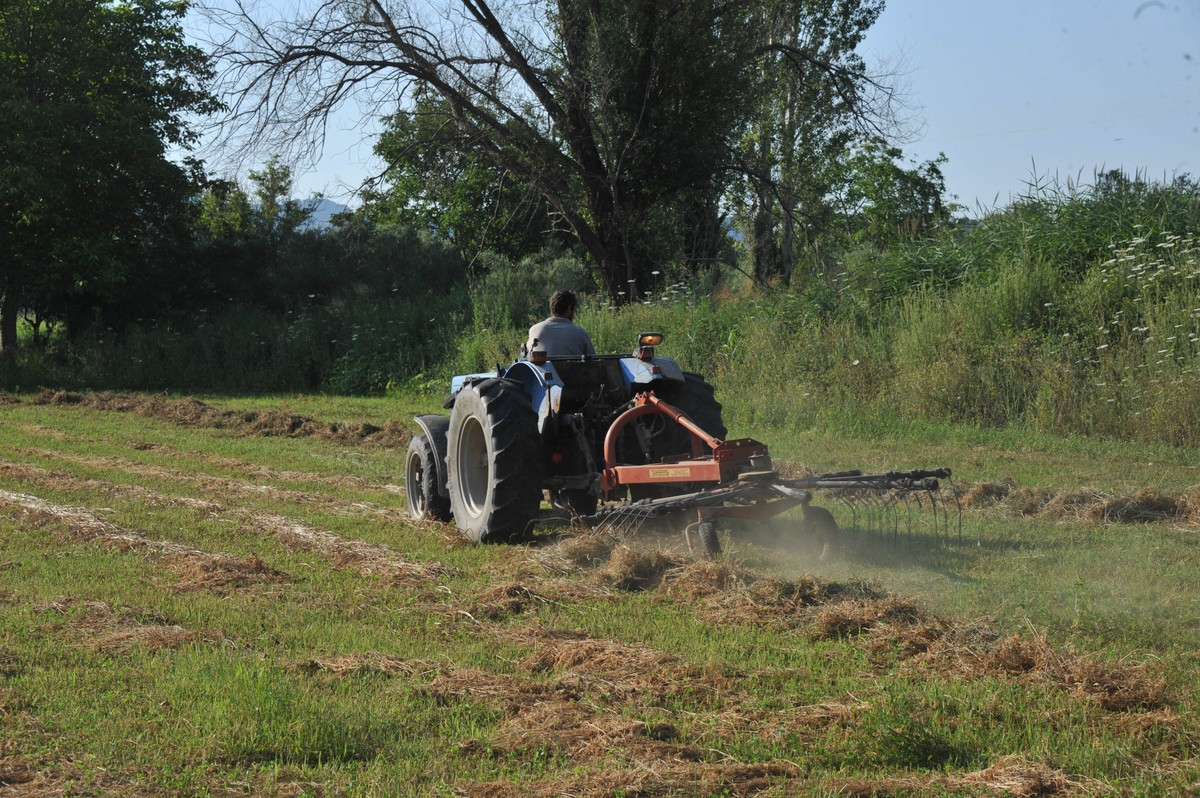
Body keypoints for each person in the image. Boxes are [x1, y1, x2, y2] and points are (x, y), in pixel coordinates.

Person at [526, 289, 596, 358]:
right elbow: (594, 361)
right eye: (574, 310)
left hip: (541, 369)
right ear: (569, 310)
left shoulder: (534, 329)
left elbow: (526, 355)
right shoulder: (580, 333)